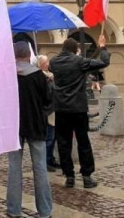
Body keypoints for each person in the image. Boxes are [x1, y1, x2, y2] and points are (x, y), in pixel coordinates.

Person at [49, 35, 110, 189]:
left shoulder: (54, 62)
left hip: (61, 108)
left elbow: (50, 69)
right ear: (75, 49)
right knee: (83, 142)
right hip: (78, 108)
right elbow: (104, 62)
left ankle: (69, 176)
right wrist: (102, 47)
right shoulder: (79, 61)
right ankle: (87, 176)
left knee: (63, 143)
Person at [7, 41, 53, 218]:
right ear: (28, 55)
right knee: (40, 167)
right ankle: (45, 211)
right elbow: (48, 101)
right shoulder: (39, 76)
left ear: (15, 55)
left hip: (14, 127)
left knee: (14, 168)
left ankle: (13, 210)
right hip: (36, 125)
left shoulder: (9, 75)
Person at [36, 54, 58, 172]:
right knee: (49, 137)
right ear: (41, 64)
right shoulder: (41, 77)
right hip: (47, 110)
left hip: (52, 109)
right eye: (46, 62)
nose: (48, 64)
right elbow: (46, 94)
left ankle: (50, 159)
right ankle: (46, 161)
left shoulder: (49, 76)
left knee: (53, 136)